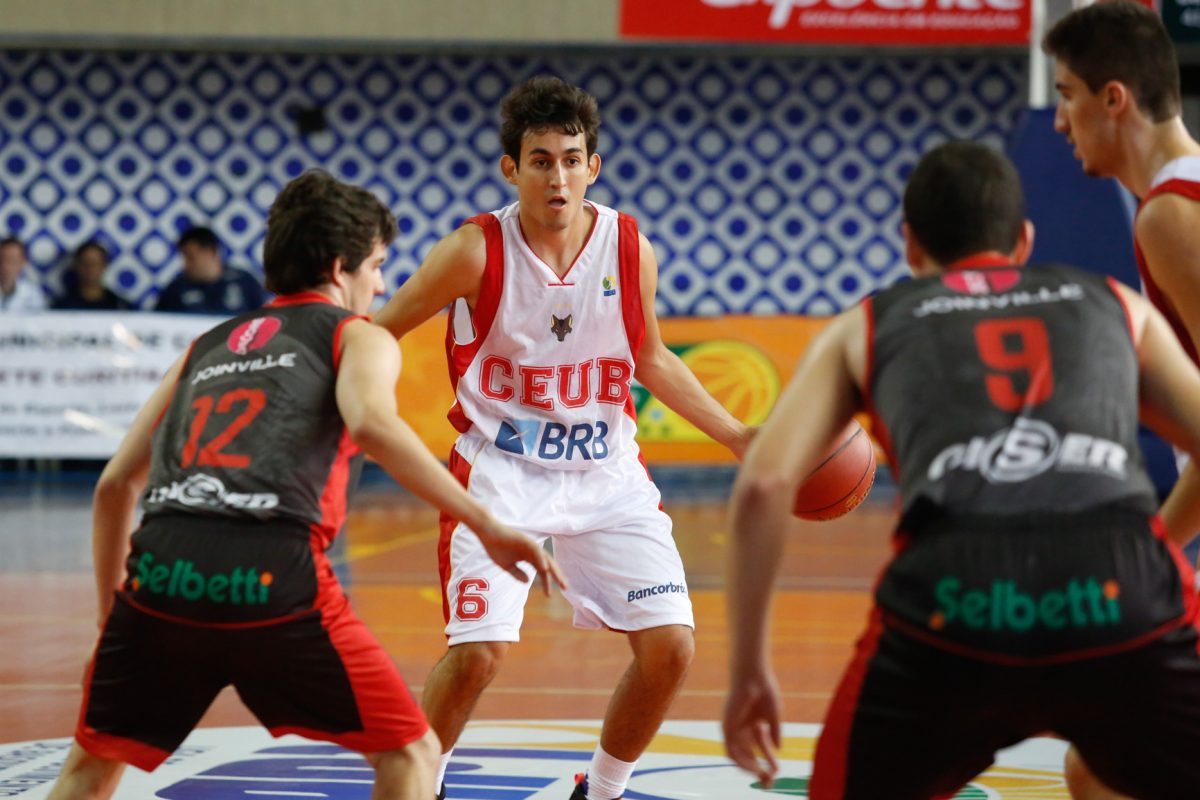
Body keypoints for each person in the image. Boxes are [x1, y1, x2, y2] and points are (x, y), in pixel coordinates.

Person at [46, 170, 564, 800]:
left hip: (160, 579)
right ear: (340, 267)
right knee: (411, 753)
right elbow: (372, 426)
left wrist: (113, 623)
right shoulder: (356, 336)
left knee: (89, 771)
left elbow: (113, 486)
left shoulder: (205, 346)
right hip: (273, 575)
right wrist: (488, 524)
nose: (381, 285)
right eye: (377, 266)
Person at [722, 141, 1200, 799]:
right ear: (1024, 240)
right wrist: (1159, 547)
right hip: (1120, 588)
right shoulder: (1118, 304)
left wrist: (748, 670)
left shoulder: (866, 325)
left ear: (910, 244)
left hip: (953, 603)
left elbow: (765, 484)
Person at [374, 75, 753, 800]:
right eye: (541, 161)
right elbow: (378, 331)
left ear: (593, 166)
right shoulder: (472, 252)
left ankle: (601, 793)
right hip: (499, 474)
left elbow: (650, 358)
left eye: (572, 160)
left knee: (671, 648)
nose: (558, 176)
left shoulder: (628, 247)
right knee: (479, 656)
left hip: (605, 472)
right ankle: (424, 786)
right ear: (511, 168)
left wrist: (737, 435)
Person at [1043, 4, 1200, 795]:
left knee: (1105, 767)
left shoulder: (1173, 213)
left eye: (1067, 95)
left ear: (1115, 99)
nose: (1059, 121)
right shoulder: (1175, 199)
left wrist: (1153, 551)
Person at [155, 225, 267, 314]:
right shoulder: (176, 289)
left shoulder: (245, 282)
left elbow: (264, 320)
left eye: (190, 258)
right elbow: (158, 322)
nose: (186, 265)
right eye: (184, 258)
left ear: (210, 252)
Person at [52, 240, 131, 310]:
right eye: (85, 263)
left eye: (95, 264)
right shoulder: (62, 306)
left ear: (104, 266)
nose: (90, 269)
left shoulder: (119, 306)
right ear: (76, 265)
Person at [0, 235, 47, 312]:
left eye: (12, 261)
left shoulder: (32, 294)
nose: (5, 266)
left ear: (23, 262)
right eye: (2, 260)